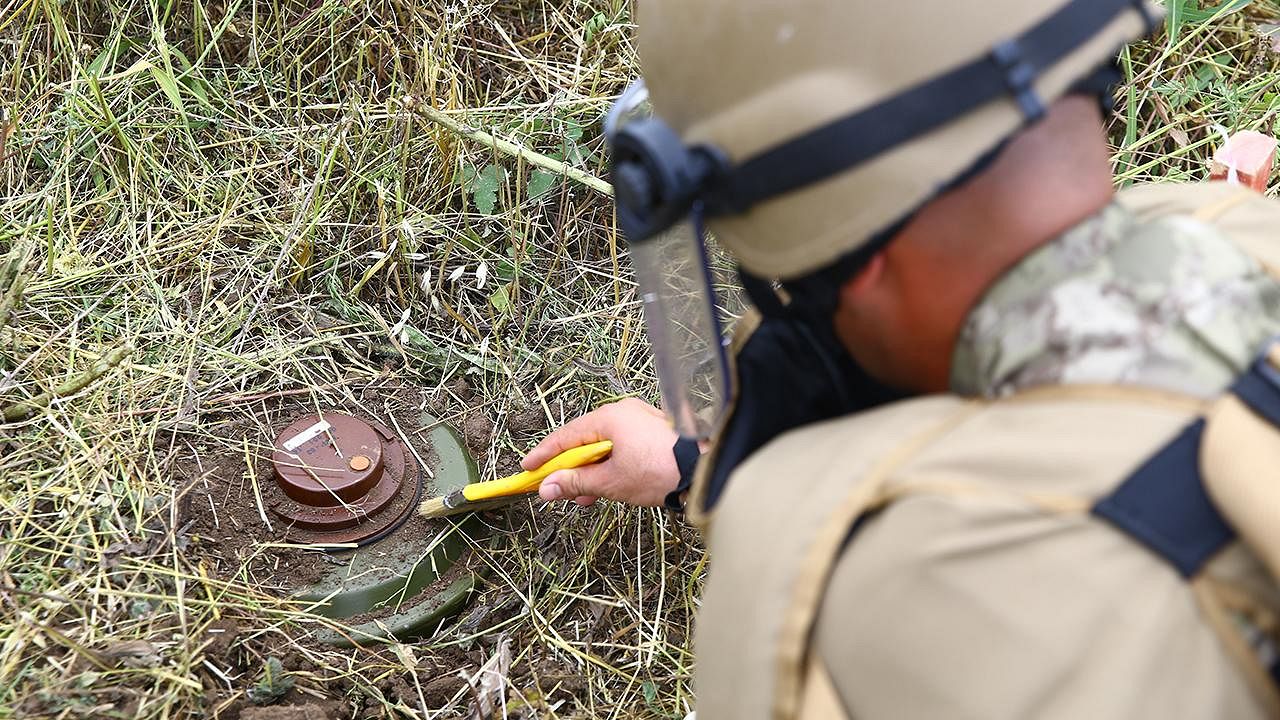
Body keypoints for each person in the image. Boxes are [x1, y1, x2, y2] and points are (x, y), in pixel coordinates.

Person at [524, 0, 1280, 717]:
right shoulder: (1227, 225)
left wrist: (774, 502)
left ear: (850, 256)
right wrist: (688, 464)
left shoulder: (902, 593)